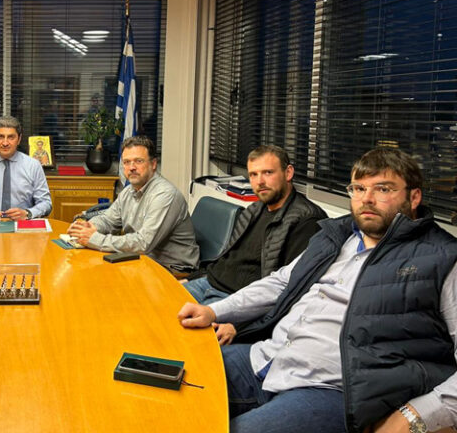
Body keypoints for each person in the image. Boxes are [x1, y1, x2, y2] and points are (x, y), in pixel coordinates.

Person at [177, 148, 457, 433]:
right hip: (268, 357)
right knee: (165, 380)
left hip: (331, 390)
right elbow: (282, 281)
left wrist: (415, 415)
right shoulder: (336, 235)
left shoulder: (443, 258)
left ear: (414, 197)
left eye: (383, 189)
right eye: (359, 189)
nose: (367, 199)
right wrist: (214, 310)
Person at [183, 145, 326, 305]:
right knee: (160, 301)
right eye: (253, 175)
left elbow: (289, 287)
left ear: (288, 173)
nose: (260, 182)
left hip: (237, 299)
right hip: (208, 282)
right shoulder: (255, 209)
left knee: (174, 319)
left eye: (268, 172)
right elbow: (226, 258)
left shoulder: (307, 220)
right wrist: (190, 279)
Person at [66, 136, 199, 273]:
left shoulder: (165, 195)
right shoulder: (129, 191)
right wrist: (89, 227)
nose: (132, 168)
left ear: (153, 164)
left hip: (172, 268)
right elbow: (108, 220)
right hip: (142, 259)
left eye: (138, 161)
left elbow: (143, 243)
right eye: (127, 162)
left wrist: (94, 239)